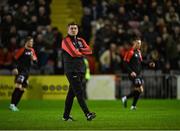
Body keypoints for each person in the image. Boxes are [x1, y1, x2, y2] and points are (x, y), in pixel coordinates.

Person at [61, 22, 96, 121]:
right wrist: (81, 51)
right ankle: (87, 114)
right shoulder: (65, 40)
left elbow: (89, 51)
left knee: (71, 94)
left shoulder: (80, 40)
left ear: (78, 30)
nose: (73, 30)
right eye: (71, 28)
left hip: (81, 69)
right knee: (79, 92)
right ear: (68, 30)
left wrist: (79, 50)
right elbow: (73, 53)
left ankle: (65, 116)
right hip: (71, 70)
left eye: (75, 28)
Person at [121, 35, 155, 110]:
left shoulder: (139, 52)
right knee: (140, 89)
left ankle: (129, 102)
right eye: (138, 43)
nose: (139, 45)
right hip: (133, 75)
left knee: (138, 90)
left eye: (140, 43)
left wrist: (149, 63)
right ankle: (130, 103)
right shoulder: (130, 52)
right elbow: (125, 64)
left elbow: (141, 62)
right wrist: (131, 72)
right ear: (134, 43)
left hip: (138, 74)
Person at [9, 36, 37, 111]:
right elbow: (14, 59)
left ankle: (15, 105)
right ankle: (12, 104)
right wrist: (15, 68)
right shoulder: (22, 50)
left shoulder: (32, 50)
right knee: (18, 86)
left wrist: (33, 58)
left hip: (27, 72)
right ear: (27, 42)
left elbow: (35, 62)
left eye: (32, 41)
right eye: (31, 41)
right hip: (20, 72)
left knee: (22, 89)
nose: (32, 43)